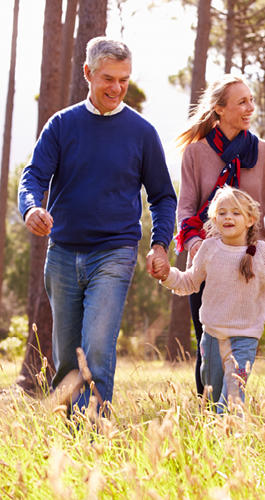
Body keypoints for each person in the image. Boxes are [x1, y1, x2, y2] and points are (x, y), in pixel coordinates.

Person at [17, 37, 177, 411]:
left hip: (115, 253)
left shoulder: (141, 132)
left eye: (124, 79)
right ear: (88, 73)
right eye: (108, 78)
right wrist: (30, 209)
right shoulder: (62, 125)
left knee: (98, 348)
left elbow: (163, 196)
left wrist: (159, 244)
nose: (117, 88)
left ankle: (95, 432)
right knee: (68, 357)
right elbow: (33, 177)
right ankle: (71, 435)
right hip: (62, 255)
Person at [175, 75, 265, 398]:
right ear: (219, 109)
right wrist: (196, 248)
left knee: (242, 343)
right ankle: (207, 413)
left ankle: (231, 409)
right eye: (242, 102)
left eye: (251, 100)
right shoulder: (195, 153)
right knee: (207, 343)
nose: (250, 108)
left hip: (248, 260)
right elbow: (186, 208)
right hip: (209, 260)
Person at [153, 187, 265, 412]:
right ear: (215, 218)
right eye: (222, 213)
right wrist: (167, 275)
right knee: (213, 401)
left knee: (232, 401)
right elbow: (189, 283)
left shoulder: (260, 253)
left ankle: (232, 440)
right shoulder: (209, 249)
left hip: (244, 340)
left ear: (250, 220)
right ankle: (217, 443)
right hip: (212, 339)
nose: (228, 217)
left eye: (236, 213)